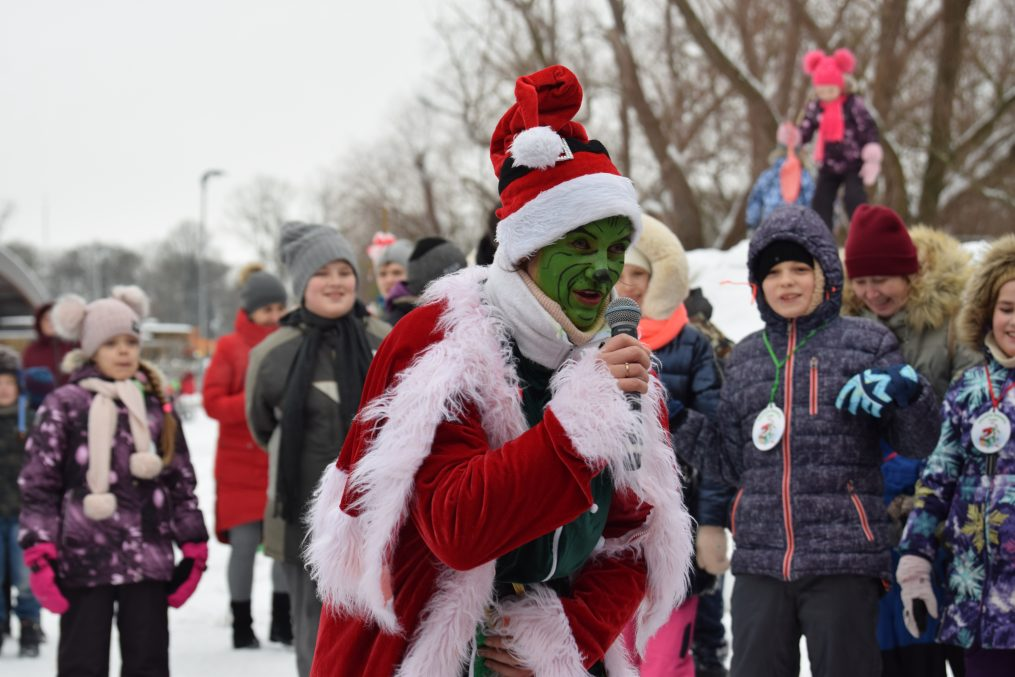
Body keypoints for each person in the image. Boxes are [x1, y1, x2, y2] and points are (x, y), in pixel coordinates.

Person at [304, 64, 692, 676]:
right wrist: (579, 420)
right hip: (424, 647)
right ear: (528, 248)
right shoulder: (444, 341)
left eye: (616, 250)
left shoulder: (616, 360)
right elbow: (457, 528)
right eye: (582, 246)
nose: (603, 271)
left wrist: (565, 635)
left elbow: (634, 538)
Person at [676, 205, 941, 677]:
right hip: (761, 561)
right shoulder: (747, 358)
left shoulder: (867, 344)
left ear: (827, 273)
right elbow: (731, 461)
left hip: (844, 560)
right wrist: (672, 420)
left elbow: (918, 442)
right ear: (759, 285)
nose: (787, 282)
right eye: (773, 272)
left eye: (800, 268)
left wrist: (911, 394)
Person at [18, 286, 208, 676]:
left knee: (148, 661)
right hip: (84, 558)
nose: (124, 351)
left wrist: (193, 544)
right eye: (111, 343)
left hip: (148, 558)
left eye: (131, 342)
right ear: (90, 349)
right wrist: (39, 553)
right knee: (82, 662)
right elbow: (40, 485)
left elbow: (179, 481)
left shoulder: (155, 405)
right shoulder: (65, 405)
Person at [245, 223, 390, 677]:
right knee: (315, 636)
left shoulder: (384, 340)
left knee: (378, 633)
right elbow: (261, 425)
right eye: (322, 273)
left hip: (376, 516)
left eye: (344, 271)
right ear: (301, 284)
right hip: (302, 519)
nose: (335, 282)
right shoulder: (272, 353)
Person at [842, 204, 977, 676]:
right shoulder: (850, 329)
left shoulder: (958, 323)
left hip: (947, 506)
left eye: (882, 279)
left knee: (956, 638)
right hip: (879, 514)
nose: (870, 292)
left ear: (911, 274)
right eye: (860, 281)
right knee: (900, 645)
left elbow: (968, 412)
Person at [615, 214, 732, 677]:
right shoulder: (584, 338)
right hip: (610, 536)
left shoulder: (691, 345)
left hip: (675, 527)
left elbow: (714, 443)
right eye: (620, 272)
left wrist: (710, 524)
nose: (629, 284)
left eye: (639, 274)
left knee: (666, 662)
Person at [898, 234, 1015, 677]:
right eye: (1006, 308)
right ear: (987, 313)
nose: (1013, 320)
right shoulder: (968, 389)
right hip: (979, 605)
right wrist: (915, 561)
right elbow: (938, 479)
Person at [202, 263, 292, 649]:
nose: (273, 317)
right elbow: (212, 402)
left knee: (281, 548)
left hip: (277, 461)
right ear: (250, 310)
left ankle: (282, 622)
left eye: (278, 308)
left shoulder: (292, 340)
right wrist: (258, 402)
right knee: (243, 548)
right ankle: (241, 622)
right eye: (266, 310)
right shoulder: (229, 346)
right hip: (239, 465)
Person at [794, 49, 882, 230]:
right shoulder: (816, 106)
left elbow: (868, 127)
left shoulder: (853, 104)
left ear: (840, 85)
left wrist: (871, 155)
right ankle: (822, 240)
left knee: (854, 198)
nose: (826, 94)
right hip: (828, 164)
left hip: (853, 163)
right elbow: (806, 128)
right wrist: (795, 140)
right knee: (820, 202)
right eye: (822, 91)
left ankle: (865, 232)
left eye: (830, 90)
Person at [0, 345, 41, 658]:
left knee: (25, 575)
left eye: (8, 382)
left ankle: (30, 623)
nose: (3, 389)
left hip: (23, 513)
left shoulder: (31, 421)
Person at [745, 123, 816, 237]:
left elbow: (755, 199)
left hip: (770, 230)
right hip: (799, 232)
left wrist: (752, 225)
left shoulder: (768, 176)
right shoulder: (806, 177)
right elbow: (813, 201)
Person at [383, 236, 467, 325]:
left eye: (396, 272)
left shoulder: (473, 306)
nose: (389, 280)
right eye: (383, 274)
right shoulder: (407, 323)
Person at [21, 302, 76, 408]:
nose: (51, 323)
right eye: (46, 319)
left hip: (70, 405)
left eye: (55, 319)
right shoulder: (31, 351)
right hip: (38, 406)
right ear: (39, 322)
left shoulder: (73, 346)